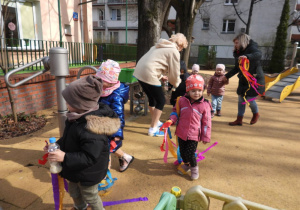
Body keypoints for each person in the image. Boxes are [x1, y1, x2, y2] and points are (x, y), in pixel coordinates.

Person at [45, 75, 120, 210]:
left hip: (89, 172)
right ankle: (80, 207)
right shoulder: (76, 118)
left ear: (80, 104)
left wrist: (64, 157)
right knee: (74, 191)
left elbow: (90, 157)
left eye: (69, 102)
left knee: (90, 195)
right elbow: (68, 139)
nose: (66, 104)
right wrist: (57, 145)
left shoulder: (92, 129)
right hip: (74, 167)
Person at [133, 33, 188, 136]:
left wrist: (160, 76)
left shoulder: (158, 45)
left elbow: (153, 62)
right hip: (149, 73)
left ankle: (156, 120)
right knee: (161, 100)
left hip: (140, 72)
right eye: (182, 48)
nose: (181, 50)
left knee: (152, 99)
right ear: (180, 45)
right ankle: (153, 129)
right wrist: (177, 84)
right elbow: (175, 72)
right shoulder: (173, 50)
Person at [160, 74, 211, 180]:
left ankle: (194, 168)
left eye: (199, 90)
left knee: (190, 153)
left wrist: (205, 136)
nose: (196, 93)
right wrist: (171, 120)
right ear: (188, 91)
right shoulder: (181, 101)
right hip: (181, 132)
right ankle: (187, 164)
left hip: (194, 134)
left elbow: (206, 122)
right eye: (193, 91)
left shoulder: (204, 105)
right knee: (182, 152)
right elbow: (175, 112)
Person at [95, 59, 134, 172]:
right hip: (99, 124)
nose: (100, 83)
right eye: (99, 80)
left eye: (103, 81)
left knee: (105, 151)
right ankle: (125, 157)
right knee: (106, 147)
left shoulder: (115, 96)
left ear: (112, 81)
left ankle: (104, 175)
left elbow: (119, 116)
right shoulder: (103, 89)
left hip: (110, 128)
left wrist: (117, 133)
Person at [225, 33, 265, 126]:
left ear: (243, 41)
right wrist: (226, 76)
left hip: (254, 79)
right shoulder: (238, 52)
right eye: (234, 43)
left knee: (250, 99)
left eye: (237, 43)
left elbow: (258, 54)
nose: (235, 45)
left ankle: (256, 114)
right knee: (241, 98)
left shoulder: (252, 48)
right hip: (244, 79)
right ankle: (239, 119)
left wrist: (247, 56)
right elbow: (237, 68)